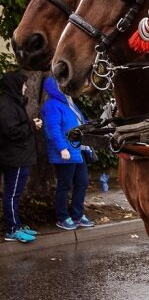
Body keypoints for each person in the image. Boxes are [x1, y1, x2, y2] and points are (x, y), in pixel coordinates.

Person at [41, 76, 95, 231]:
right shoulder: (52, 105)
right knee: (64, 186)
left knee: (82, 183)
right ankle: (62, 217)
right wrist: (61, 148)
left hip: (78, 151)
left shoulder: (70, 104)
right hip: (65, 152)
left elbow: (81, 124)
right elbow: (52, 129)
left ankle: (78, 215)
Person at [0, 72, 42, 242]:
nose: (26, 87)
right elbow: (11, 131)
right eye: (23, 84)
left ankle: (16, 224)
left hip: (19, 156)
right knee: (12, 194)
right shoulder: (7, 105)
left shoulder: (13, 103)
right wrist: (32, 125)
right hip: (15, 157)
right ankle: (12, 229)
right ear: (15, 86)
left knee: (15, 194)